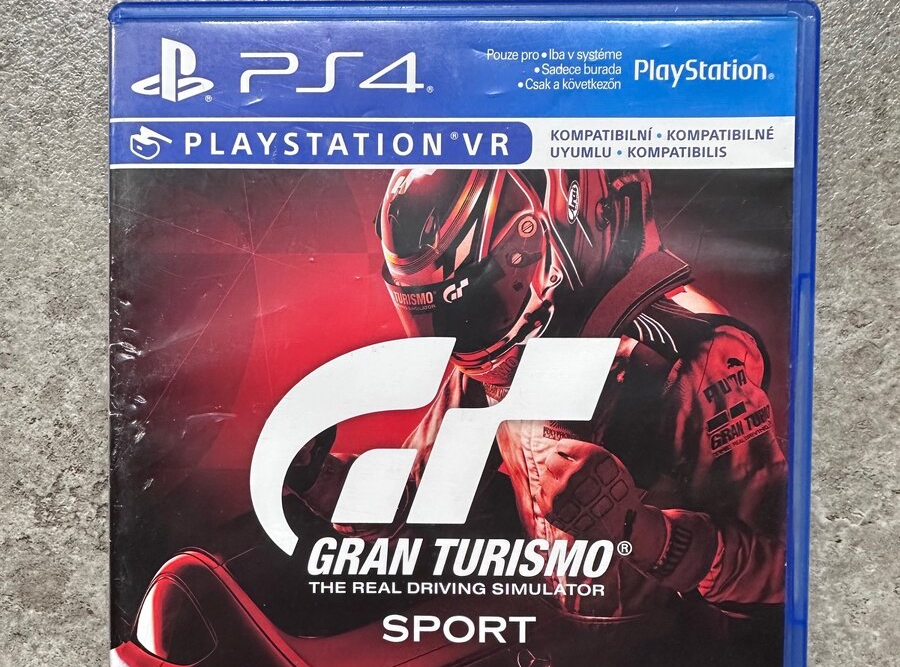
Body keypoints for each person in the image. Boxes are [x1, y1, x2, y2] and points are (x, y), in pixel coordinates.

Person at [289, 167, 786, 622]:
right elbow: (422, 491)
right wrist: (318, 477)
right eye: (436, 314)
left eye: (473, 303)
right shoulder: (495, 356)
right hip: (560, 644)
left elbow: (782, 567)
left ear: (546, 241)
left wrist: (640, 532)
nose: (456, 335)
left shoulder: (697, 354)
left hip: (674, 658)